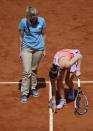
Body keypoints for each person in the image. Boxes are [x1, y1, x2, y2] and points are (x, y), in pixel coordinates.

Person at [18, 5, 46, 103]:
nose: (35, 19)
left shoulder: (42, 21)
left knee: (34, 69)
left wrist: (44, 49)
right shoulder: (23, 22)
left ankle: (33, 88)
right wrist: (20, 51)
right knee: (27, 71)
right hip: (26, 48)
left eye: (36, 17)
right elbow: (21, 37)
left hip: (39, 48)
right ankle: (24, 93)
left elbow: (43, 35)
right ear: (28, 16)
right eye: (33, 18)